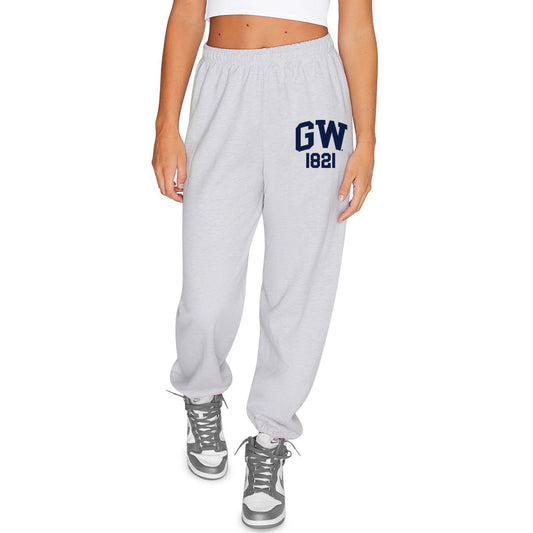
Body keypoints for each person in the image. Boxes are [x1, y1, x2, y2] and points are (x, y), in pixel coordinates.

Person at [152, 0, 377, 528]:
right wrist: (166, 124)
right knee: (207, 284)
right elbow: (186, 16)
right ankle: (201, 391)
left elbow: (358, 30)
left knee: (300, 278)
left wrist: (366, 140)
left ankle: (271, 436)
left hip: (312, 94)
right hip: (224, 83)